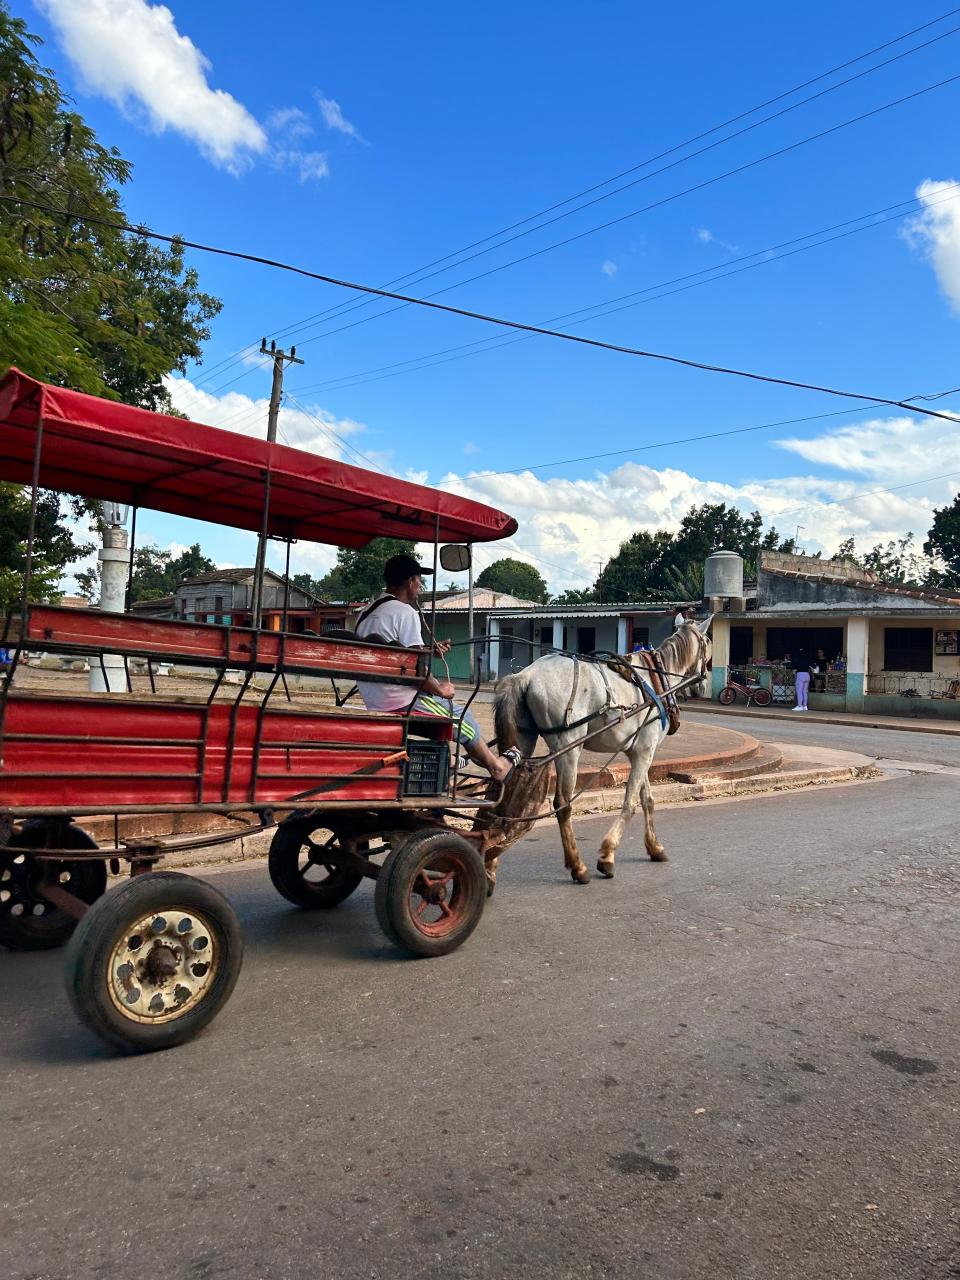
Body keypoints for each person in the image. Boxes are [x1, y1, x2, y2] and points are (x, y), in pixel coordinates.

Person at [355, 553, 515, 781]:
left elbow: (399, 653)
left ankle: (448, 760)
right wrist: (441, 689)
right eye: (419, 581)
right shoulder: (405, 613)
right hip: (400, 702)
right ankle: (496, 767)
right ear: (410, 581)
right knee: (463, 718)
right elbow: (417, 672)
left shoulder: (365, 614)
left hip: (374, 699)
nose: (420, 586)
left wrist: (427, 650)